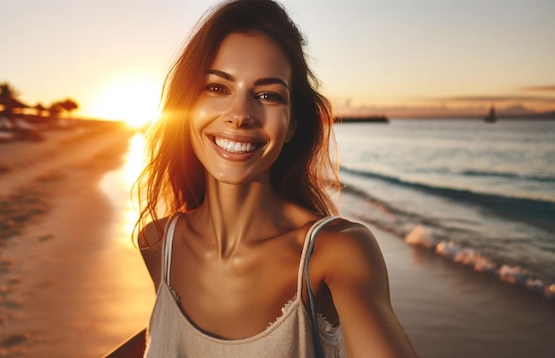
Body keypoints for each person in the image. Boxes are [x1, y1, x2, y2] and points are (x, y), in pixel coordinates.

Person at [107, 0, 417, 356]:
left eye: (267, 95)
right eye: (217, 88)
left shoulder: (333, 252)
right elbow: (165, 335)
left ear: (292, 125)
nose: (239, 115)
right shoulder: (159, 242)